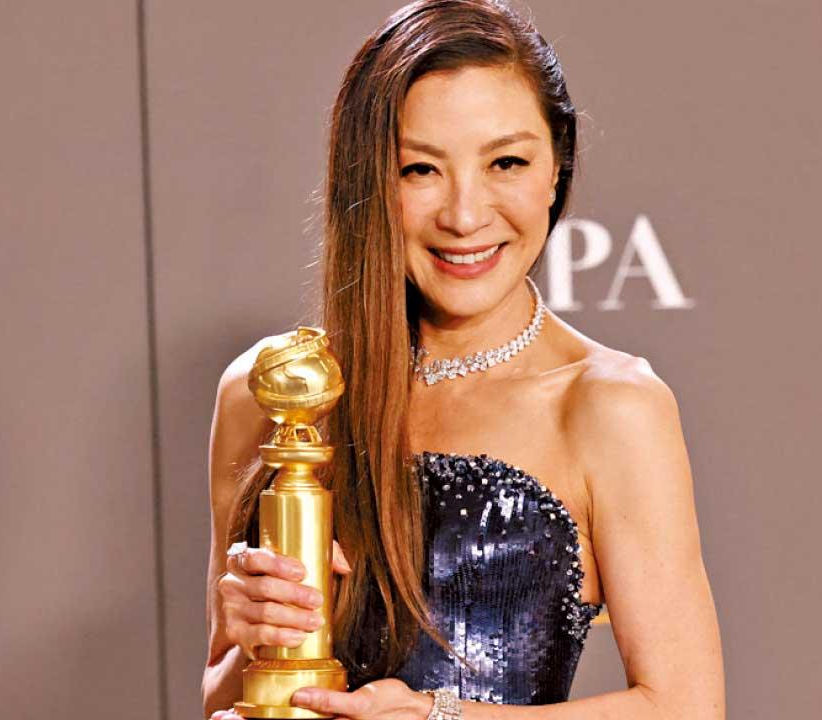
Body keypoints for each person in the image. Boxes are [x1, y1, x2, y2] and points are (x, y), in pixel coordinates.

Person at [203, 1, 725, 717]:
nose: (465, 215)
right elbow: (221, 696)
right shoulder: (273, 391)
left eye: (506, 162)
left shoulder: (608, 406)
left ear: (556, 168)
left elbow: (684, 708)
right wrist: (250, 638)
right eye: (420, 169)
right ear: (367, 183)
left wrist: (440, 717)